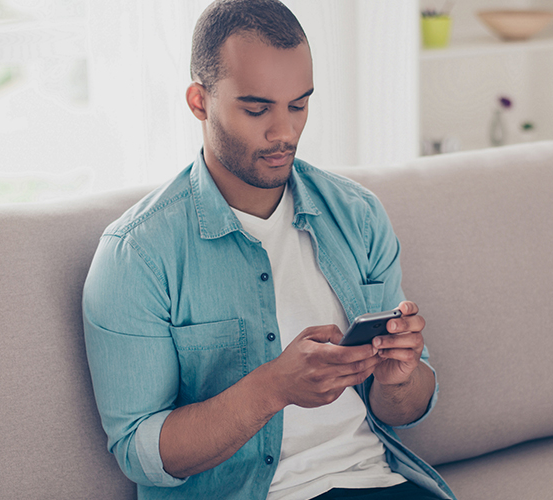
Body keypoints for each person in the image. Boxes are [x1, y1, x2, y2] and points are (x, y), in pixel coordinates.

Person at [82, 1, 456, 499]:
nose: (285, 133)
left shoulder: (357, 215)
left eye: (299, 105)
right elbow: (140, 453)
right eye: (257, 109)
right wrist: (272, 389)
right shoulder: (137, 256)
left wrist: (398, 381)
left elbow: (407, 411)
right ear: (200, 101)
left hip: (377, 481)